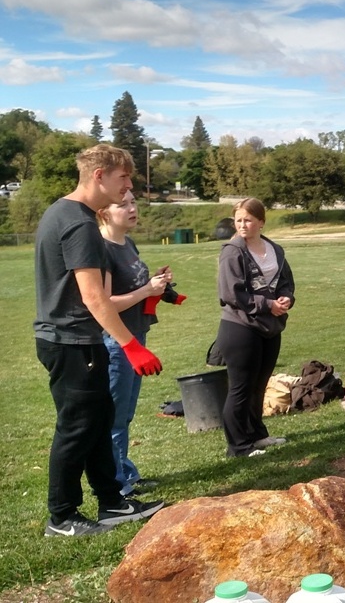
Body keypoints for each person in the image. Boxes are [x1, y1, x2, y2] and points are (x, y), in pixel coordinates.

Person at [34, 144, 165, 537]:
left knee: (99, 419)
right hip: (69, 340)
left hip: (78, 339)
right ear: (99, 176)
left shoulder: (68, 213)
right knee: (77, 427)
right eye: (123, 177)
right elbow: (94, 297)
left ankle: (111, 501)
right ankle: (62, 517)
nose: (127, 187)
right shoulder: (77, 222)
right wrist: (131, 345)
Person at [98, 190, 186, 497]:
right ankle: (116, 485)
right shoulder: (103, 249)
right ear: (103, 212)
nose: (133, 208)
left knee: (126, 413)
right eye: (123, 205)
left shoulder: (128, 243)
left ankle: (124, 473)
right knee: (115, 417)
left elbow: (136, 288)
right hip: (116, 342)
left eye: (134, 202)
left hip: (136, 336)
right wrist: (146, 289)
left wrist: (156, 284)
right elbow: (105, 304)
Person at [216, 197, 295, 457]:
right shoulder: (233, 251)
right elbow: (231, 293)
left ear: (261, 222)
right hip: (240, 327)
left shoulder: (274, 249)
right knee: (241, 387)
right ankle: (238, 446)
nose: (242, 225)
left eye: (248, 220)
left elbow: (285, 281)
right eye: (238, 220)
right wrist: (267, 304)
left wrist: (286, 298)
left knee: (259, 384)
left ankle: (257, 436)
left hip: (270, 327)